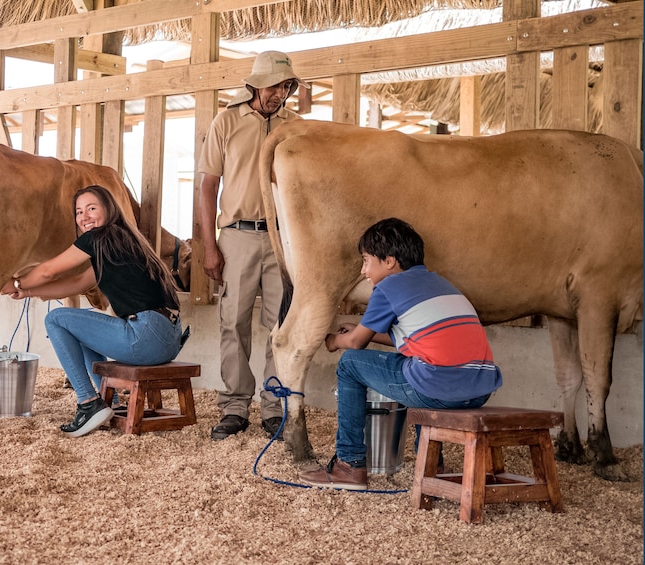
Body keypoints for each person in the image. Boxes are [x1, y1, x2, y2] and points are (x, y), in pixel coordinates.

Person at [299, 218, 503, 490]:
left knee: (349, 364)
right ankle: (431, 465)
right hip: (479, 389)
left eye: (366, 260)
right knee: (420, 366)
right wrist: (360, 331)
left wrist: (335, 340)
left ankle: (349, 465)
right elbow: (420, 339)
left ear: (389, 261)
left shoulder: (387, 288)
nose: (363, 270)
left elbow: (357, 344)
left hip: (437, 387)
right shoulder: (441, 283)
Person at [0, 185, 185, 438]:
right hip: (170, 339)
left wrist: (18, 282)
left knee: (56, 319)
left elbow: (48, 271)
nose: (84, 217)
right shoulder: (121, 239)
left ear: (108, 209)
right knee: (80, 325)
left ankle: (88, 403)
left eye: (91, 209)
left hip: (146, 337)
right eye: (78, 211)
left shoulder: (99, 237)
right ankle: (112, 401)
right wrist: (27, 293)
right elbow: (78, 284)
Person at [197, 51, 310, 441]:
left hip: (282, 237)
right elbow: (208, 186)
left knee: (279, 324)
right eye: (276, 85)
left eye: (286, 86)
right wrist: (208, 246)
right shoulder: (226, 120)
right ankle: (234, 406)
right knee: (233, 322)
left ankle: (273, 406)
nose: (281, 93)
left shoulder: (296, 127)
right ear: (256, 84)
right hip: (237, 235)